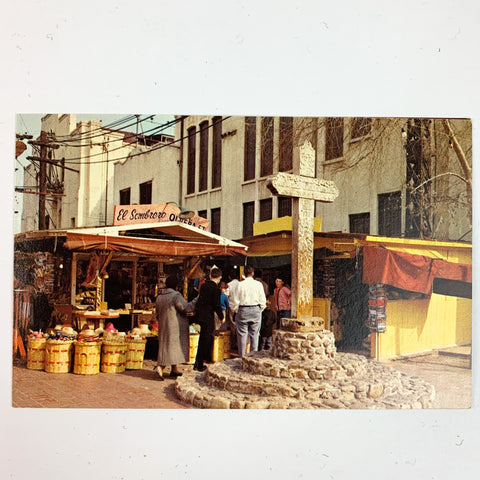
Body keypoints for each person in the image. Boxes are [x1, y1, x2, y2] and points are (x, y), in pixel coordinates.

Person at [154, 275, 196, 380]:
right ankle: (160, 367)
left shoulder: (160, 297)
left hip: (163, 326)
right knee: (172, 347)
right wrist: (196, 300)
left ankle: (174, 369)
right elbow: (186, 308)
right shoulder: (176, 296)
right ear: (176, 286)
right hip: (175, 327)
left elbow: (157, 313)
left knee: (166, 346)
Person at [231, 265, 266, 357]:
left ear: (244, 274)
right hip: (255, 309)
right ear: (252, 273)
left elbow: (235, 300)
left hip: (243, 309)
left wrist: (236, 310)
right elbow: (263, 300)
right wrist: (259, 310)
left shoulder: (240, 284)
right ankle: (253, 357)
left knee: (242, 334)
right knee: (254, 334)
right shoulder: (258, 284)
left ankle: (242, 357)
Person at [193, 267, 224, 372]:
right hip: (208, 317)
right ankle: (200, 363)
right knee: (206, 340)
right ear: (219, 278)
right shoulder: (216, 289)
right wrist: (221, 317)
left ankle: (198, 362)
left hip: (200, 315)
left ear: (210, 276)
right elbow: (217, 305)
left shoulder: (204, 286)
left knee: (202, 339)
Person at [226, 268, 241, 349]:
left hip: (232, 306)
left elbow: (226, 295)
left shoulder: (229, 285)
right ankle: (238, 342)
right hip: (239, 306)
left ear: (229, 277)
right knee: (239, 325)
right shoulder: (240, 284)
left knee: (233, 326)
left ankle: (233, 342)